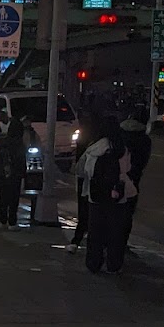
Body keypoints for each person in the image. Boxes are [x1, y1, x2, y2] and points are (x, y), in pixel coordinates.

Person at [81, 114, 137, 274]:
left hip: (96, 195)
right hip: (118, 194)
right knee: (115, 232)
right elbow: (127, 168)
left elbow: (87, 170)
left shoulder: (94, 148)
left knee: (95, 232)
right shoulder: (121, 147)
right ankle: (114, 264)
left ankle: (94, 263)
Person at [119, 105, 152, 241]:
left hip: (115, 175)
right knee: (127, 212)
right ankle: (122, 242)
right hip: (133, 177)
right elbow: (143, 161)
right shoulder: (144, 139)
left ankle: (110, 242)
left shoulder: (119, 133)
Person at [0, 107, 26, 228]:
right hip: (7, 168)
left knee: (9, 195)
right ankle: (6, 220)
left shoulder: (13, 127)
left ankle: (8, 220)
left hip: (10, 167)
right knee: (7, 195)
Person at [67, 110, 97, 253]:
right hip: (103, 187)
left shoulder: (89, 143)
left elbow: (80, 167)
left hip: (86, 181)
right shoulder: (112, 144)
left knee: (84, 212)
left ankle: (77, 241)